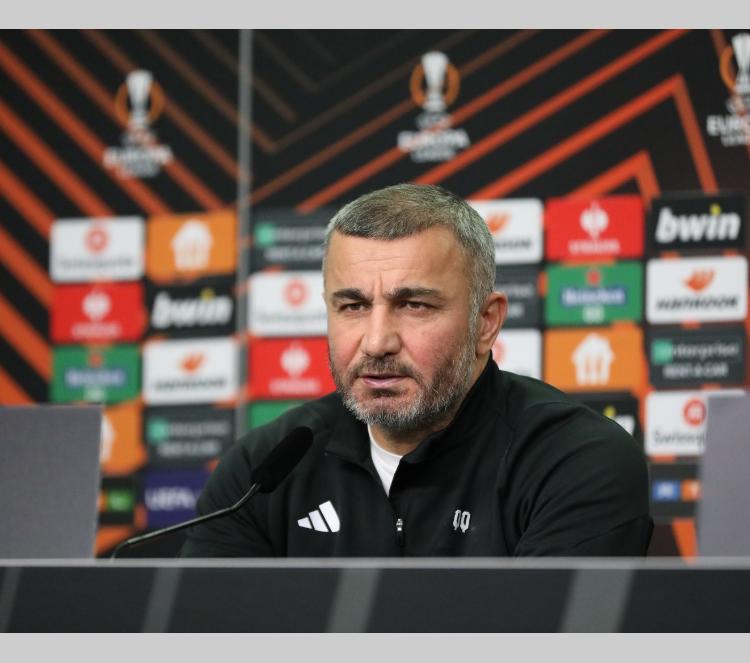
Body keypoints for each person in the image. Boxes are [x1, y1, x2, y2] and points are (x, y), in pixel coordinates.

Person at [181, 183, 652, 557]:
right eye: (352, 306)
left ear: (485, 323)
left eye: (414, 305)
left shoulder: (574, 460)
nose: (376, 342)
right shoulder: (262, 471)